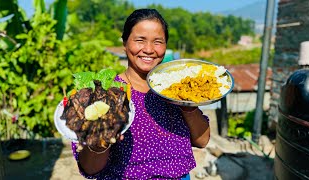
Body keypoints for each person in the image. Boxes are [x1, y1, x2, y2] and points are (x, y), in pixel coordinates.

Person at [71, 8, 210, 179]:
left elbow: (202, 141)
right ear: (125, 43)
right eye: (140, 40)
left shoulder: (174, 88)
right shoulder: (106, 92)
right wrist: (100, 142)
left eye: (158, 42)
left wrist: (188, 107)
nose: (149, 49)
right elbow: (90, 168)